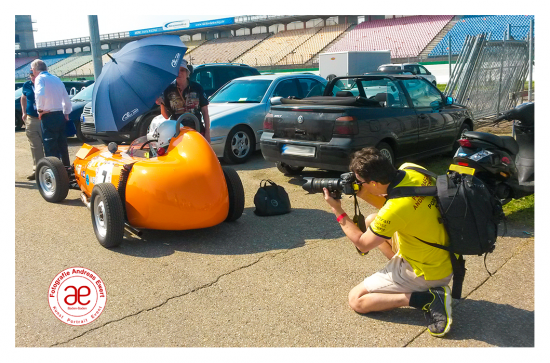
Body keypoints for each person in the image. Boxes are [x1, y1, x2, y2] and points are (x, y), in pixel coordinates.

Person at [322, 147, 454, 337]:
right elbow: (398, 206)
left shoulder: (396, 209)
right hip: (445, 251)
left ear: (374, 183)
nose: (359, 184)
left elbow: (362, 243)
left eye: (360, 182)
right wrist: (361, 192)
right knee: (371, 221)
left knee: (356, 300)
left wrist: (337, 210)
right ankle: (399, 271)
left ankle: (428, 298)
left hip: (427, 272)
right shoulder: (411, 169)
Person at [156, 59, 210, 143]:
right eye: (177, 70)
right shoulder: (168, 89)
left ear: (187, 73)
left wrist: (207, 133)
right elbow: (166, 116)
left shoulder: (197, 88)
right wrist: (161, 104)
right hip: (177, 132)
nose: (179, 73)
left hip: (196, 130)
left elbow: (205, 112)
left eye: (182, 70)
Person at [31, 59, 72, 167]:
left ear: (34, 70)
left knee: (50, 146)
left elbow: (39, 93)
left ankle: (55, 172)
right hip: (60, 114)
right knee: (62, 145)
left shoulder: (40, 78)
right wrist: (66, 112)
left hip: (48, 115)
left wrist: (40, 109)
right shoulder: (56, 78)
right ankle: (66, 168)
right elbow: (66, 97)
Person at [20, 69, 44, 180]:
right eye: (31, 76)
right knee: (35, 146)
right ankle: (37, 170)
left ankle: (50, 168)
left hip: (44, 118)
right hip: (31, 119)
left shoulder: (44, 83)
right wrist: (24, 112)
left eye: (34, 76)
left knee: (48, 145)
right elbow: (23, 97)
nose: (32, 78)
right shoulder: (27, 85)